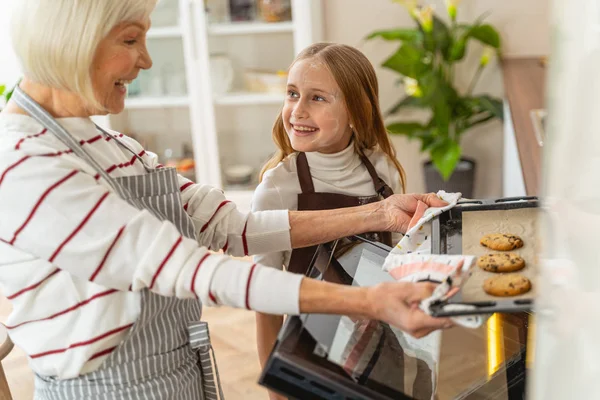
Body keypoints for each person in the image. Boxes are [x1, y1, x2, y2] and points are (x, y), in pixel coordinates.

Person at [0, 1, 451, 398]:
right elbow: (190, 268)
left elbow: (231, 226)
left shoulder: (107, 142)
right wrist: (367, 302)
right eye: (131, 38)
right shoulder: (26, 165)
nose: (146, 60)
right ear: (74, 40)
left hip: (180, 372)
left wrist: (379, 212)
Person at [252, 42, 416, 399]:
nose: (297, 110)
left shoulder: (384, 171)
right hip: (311, 363)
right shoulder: (277, 189)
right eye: (292, 94)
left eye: (317, 98)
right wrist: (277, 392)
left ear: (358, 111)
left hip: (382, 350)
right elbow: (265, 304)